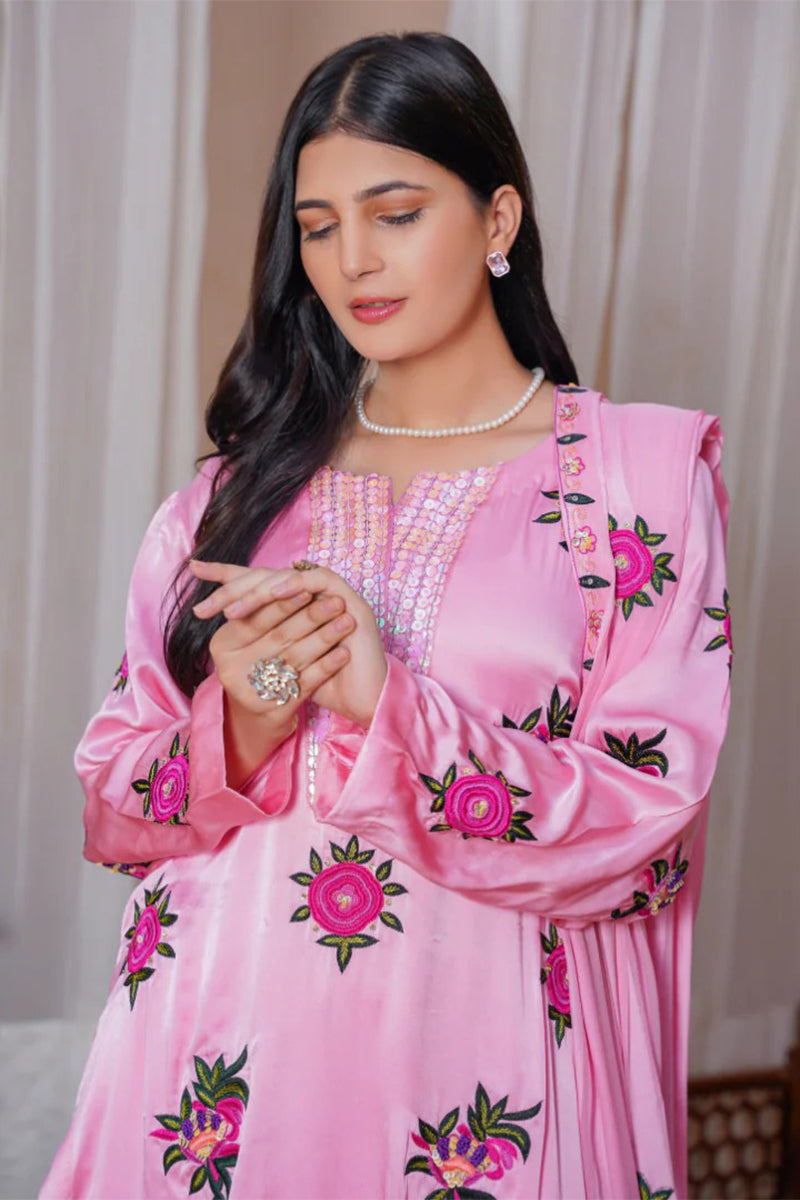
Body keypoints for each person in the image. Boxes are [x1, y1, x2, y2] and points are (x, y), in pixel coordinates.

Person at [40, 29, 733, 1200]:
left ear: (497, 218)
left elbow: (644, 832)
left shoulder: (639, 483)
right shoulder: (231, 498)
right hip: (219, 1078)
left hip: (486, 1094)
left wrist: (386, 703)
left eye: (395, 212)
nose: (352, 259)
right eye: (317, 227)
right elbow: (116, 807)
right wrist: (248, 718)